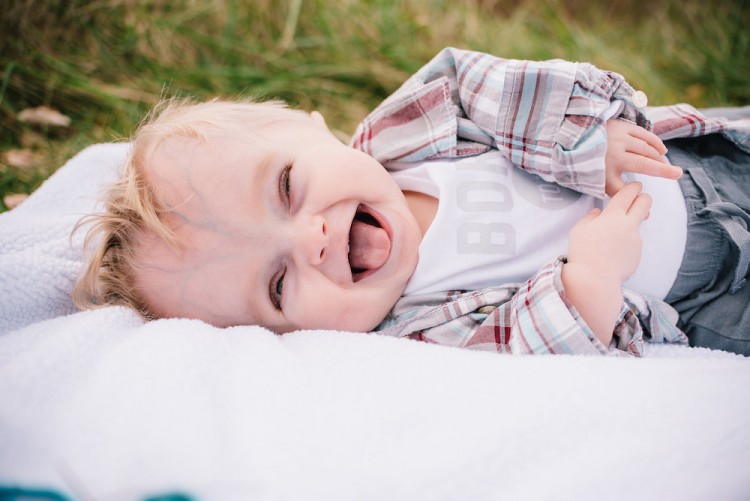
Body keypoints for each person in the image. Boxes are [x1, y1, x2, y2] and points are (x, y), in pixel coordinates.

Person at [73, 48, 750, 356]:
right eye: (277, 284)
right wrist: (589, 281)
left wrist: (584, 141)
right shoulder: (413, 330)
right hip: (701, 297)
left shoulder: (410, 129)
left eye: (286, 187)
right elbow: (519, 342)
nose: (309, 239)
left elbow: (488, 84)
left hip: (691, 160)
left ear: (314, 127)